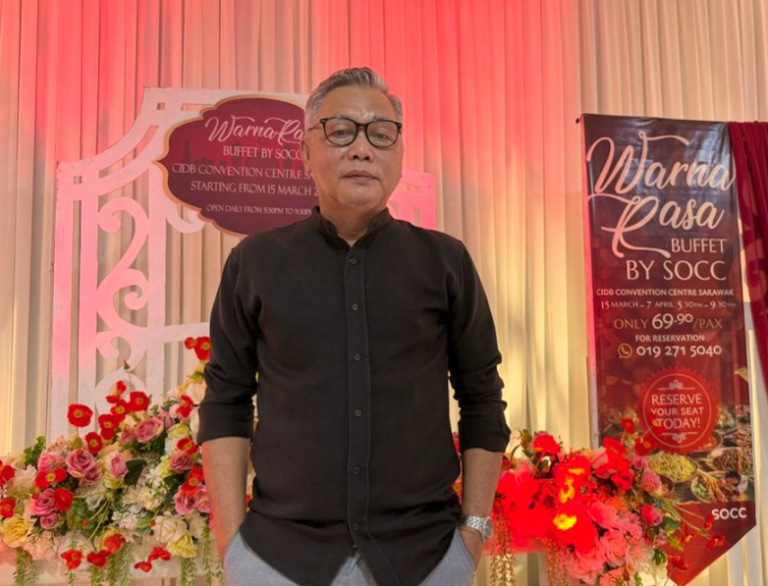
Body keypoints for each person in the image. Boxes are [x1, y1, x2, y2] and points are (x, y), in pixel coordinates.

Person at [198, 67, 511, 586]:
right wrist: (232, 546)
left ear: (399, 154)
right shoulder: (255, 262)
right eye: (341, 131)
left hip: (426, 558)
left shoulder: (445, 262)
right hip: (278, 558)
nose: (362, 149)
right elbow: (225, 401)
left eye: (381, 134)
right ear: (305, 151)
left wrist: (473, 533)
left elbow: (482, 396)